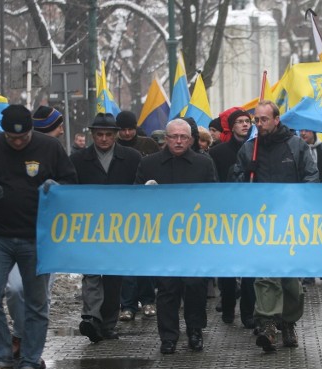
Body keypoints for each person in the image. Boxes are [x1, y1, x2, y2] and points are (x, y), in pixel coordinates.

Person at [0, 104, 77, 369]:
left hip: (36, 236)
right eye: (12, 138)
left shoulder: (49, 147)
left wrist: (57, 186)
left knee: (36, 302)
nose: (17, 142)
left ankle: (29, 363)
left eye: (23, 137)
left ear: (31, 130)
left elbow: (71, 181)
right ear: (3, 132)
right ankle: (1, 359)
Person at [232, 100, 319, 352]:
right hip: (262, 223)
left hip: (290, 221)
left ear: (276, 119)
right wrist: (244, 174)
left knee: (290, 277)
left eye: (264, 119)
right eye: (256, 120)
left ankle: (288, 322)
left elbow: (311, 177)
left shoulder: (296, 146)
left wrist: (300, 204)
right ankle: (268, 324)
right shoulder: (249, 149)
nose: (259, 124)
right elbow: (236, 183)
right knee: (265, 274)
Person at [136, 118, 217, 354]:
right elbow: (135, 196)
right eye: (174, 137)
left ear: (191, 139)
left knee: (194, 286)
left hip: (194, 237)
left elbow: (213, 196)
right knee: (167, 288)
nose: (179, 141)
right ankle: (168, 336)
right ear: (166, 138)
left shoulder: (203, 164)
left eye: (183, 137)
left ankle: (195, 330)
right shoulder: (149, 164)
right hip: (163, 237)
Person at [71, 113, 142, 342]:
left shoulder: (131, 157)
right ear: (92, 135)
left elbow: (139, 186)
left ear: (116, 135)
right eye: (99, 134)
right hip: (90, 225)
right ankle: (91, 317)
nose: (103, 139)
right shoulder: (78, 159)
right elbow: (69, 187)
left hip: (120, 226)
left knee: (113, 278)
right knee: (91, 272)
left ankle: (108, 323)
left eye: (108, 135)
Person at [5, 105, 67, 366]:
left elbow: (71, 184)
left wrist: (59, 188)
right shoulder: (9, 152)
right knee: (16, 289)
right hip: (10, 234)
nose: (62, 131)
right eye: (57, 127)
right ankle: (21, 333)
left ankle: (32, 349)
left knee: (42, 296)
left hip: (47, 237)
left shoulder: (57, 153)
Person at [209, 107, 256, 328]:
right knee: (227, 267)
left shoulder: (257, 150)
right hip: (226, 216)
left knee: (249, 268)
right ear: (232, 126)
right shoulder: (218, 153)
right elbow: (214, 181)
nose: (245, 125)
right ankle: (228, 307)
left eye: (248, 121)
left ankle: (248, 312)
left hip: (251, 216)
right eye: (240, 122)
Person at [115, 110, 159, 322]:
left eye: (129, 129)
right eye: (122, 129)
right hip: (123, 209)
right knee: (127, 261)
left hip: (146, 210)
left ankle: (148, 300)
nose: (125, 133)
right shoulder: (114, 146)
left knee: (146, 259)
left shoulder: (147, 144)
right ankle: (128, 304)